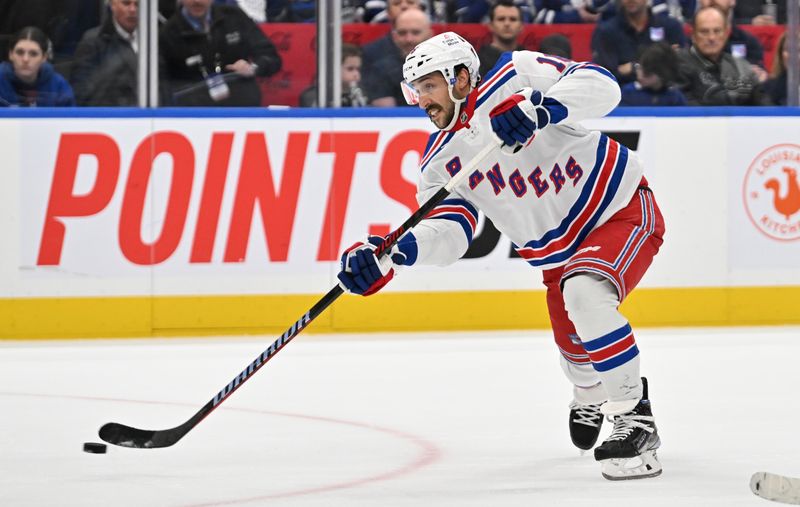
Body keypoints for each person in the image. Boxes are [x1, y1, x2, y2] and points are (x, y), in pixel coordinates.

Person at [337, 32, 666, 481]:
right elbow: (452, 234)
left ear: (460, 77)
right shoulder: (439, 161)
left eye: (428, 85)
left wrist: (541, 108)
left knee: (586, 296)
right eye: (414, 90)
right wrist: (395, 252)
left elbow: (602, 84)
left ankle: (634, 416)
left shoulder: (516, 74)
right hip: (557, 258)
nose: (421, 100)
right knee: (576, 353)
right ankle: (589, 394)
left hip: (620, 209)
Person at [159, 0, 282, 106]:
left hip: (243, 108)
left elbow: (271, 57)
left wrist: (253, 68)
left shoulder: (235, 16)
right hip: (195, 114)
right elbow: (163, 84)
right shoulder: (169, 33)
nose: (196, 1)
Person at [676, 6, 770, 105]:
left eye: (717, 31)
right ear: (693, 35)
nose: (711, 37)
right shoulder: (679, 64)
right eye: (704, 32)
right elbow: (686, 108)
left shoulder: (739, 65)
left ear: (726, 34)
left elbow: (764, 105)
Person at [591, 0, 687, 85]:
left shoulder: (670, 27)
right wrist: (660, 66)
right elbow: (603, 76)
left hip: (665, 96)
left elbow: (681, 68)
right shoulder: (606, 31)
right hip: (622, 98)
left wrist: (633, 68)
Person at [70, 0, 139, 106]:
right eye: (126, 3)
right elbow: (82, 94)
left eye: (137, 4)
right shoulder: (92, 42)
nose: (133, 9)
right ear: (112, 5)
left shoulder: (153, 41)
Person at [361, 7, 432, 107]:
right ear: (394, 36)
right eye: (402, 33)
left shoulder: (446, 64)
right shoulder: (381, 69)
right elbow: (387, 115)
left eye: (415, 32)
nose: (409, 39)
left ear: (429, 34)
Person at [0, 26, 75, 107]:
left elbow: (71, 118)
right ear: (10, 54)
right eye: (20, 52)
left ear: (44, 58)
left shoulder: (58, 86)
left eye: (33, 54)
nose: (25, 59)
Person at [299, 43, 367, 107]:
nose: (356, 74)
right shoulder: (315, 96)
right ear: (333, 69)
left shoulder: (360, 93)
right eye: (350, 69)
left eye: (358, 69)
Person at [620, 42, 688, 105]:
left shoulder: (675, 97)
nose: (640, 76)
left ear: (662, 75)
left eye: (647, 74)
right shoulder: (629, 93)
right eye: (639, 68)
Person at [478, 0, 525, 77]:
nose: (507, 24)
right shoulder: (478, 61)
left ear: (521, 26)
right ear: (491, 25)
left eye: (513, 19)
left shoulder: (528, 58)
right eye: (501, 19)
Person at [762, 31, 790, 105]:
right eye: (788, 50)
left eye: (799, 49)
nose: (792, 55)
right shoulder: (769, 88)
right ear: (780, 55)